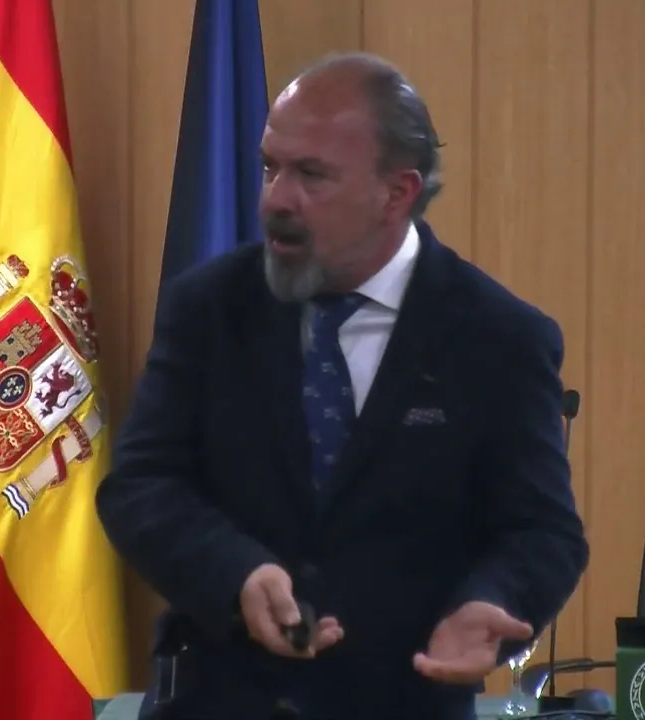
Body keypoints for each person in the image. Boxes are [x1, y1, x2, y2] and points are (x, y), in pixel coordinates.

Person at [96, 52, 589, 720]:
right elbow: (140, 487)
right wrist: (237, 573)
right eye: (269, 167)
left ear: (397, 193)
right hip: (220, 699)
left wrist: (491, 601)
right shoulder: (208, 309)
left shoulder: (498, 336)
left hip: (402, 701)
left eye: (311, 175)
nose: (275, 199)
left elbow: (542, 532)